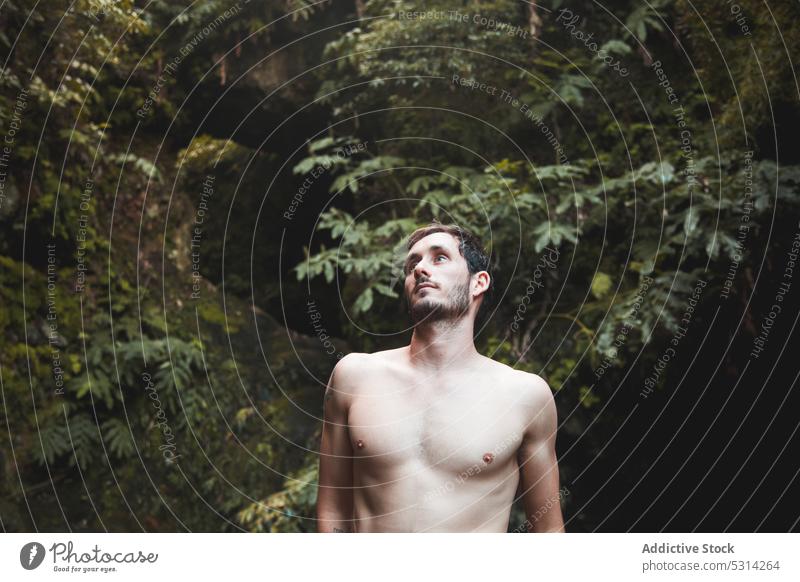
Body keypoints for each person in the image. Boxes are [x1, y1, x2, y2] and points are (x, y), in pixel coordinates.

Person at [316, 222, 564, 532]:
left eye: (439, 258)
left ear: (478, 283)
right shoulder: (354, 377)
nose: (420, 269)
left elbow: (549, 531)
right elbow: (332, 512)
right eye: (412, 264)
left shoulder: (524, 395)